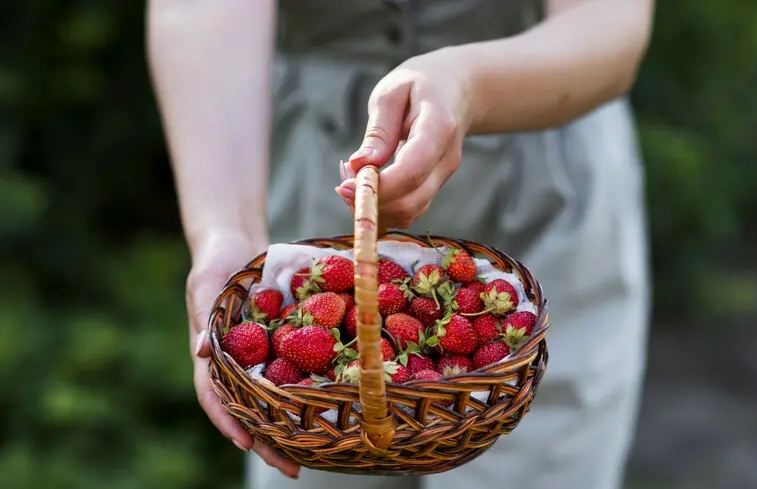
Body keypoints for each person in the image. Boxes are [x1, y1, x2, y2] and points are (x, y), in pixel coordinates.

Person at [147, 1, 655, 488]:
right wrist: (227, 230)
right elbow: (199, 10)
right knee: (318, 438)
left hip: (542, 170)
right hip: (316, 184)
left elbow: (609, 20)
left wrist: (468, 84)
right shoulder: (303, 282)